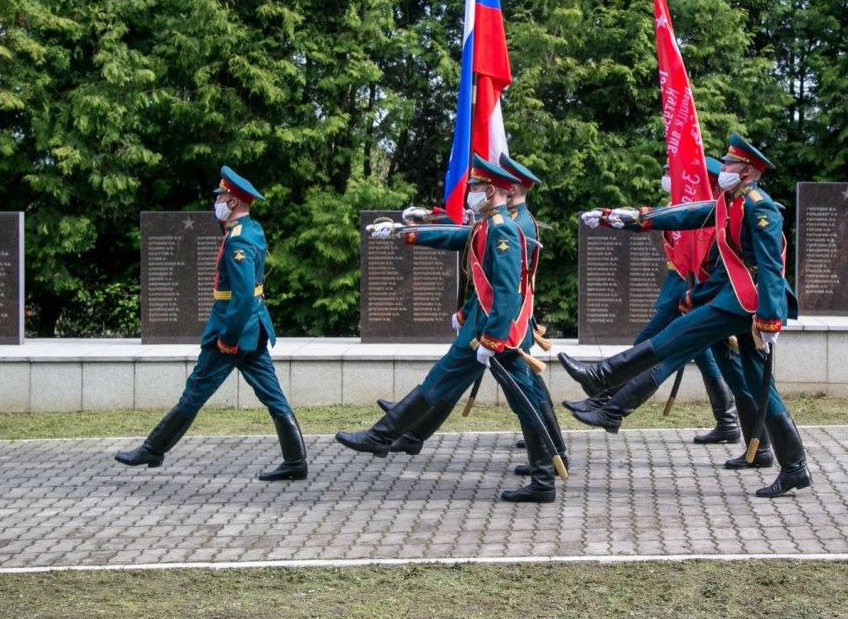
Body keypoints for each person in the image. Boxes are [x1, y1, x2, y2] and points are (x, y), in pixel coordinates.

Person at [560, 134, 810, 498]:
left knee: (677, 335)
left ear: (749, 170)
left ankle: (603, 376)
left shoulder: (760, 207)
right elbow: (688, 214)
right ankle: (796, 467)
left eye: (729, 164)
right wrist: (633, 219)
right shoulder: (731, 202)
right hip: (736, 300)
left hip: (746, 303)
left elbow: (772, 268)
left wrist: (771, 318)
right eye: (724, 162)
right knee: (760, 386)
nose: (722, 168)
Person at [337, 155, 562, 503]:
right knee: (440, 381)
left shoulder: (503, 228)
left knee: (526, 400)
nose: (470, 193)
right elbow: (457, 236)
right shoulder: (491, 223)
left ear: (489, 191)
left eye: (474, 188)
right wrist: (406, 232)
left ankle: (544, 480)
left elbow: (506, 290)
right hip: (481, 330)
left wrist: (492, 339)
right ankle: (384, 437)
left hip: (496, 335)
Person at [115, 167, 307, 481]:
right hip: (255, 329)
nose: (216, 202)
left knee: (195, 391)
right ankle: (296, 462)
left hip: (233, 331)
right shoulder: (252, 229)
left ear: (232, 201)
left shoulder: (237, 241)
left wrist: (228, 337)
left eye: (220, 197)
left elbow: (242, 296)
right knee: (273, 395)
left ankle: (153, 448)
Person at [568, 158, 741, 446]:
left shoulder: (713, 211)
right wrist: (613, 217)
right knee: (705, 356)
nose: (666, 177)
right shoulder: (688, 205)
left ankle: (608, 402)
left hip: (698, 294)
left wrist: (697, 296)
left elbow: (710, 262)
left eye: (671, 173)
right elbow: (660, 219)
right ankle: (728, 420)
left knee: (665, 351)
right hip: (680, 291)